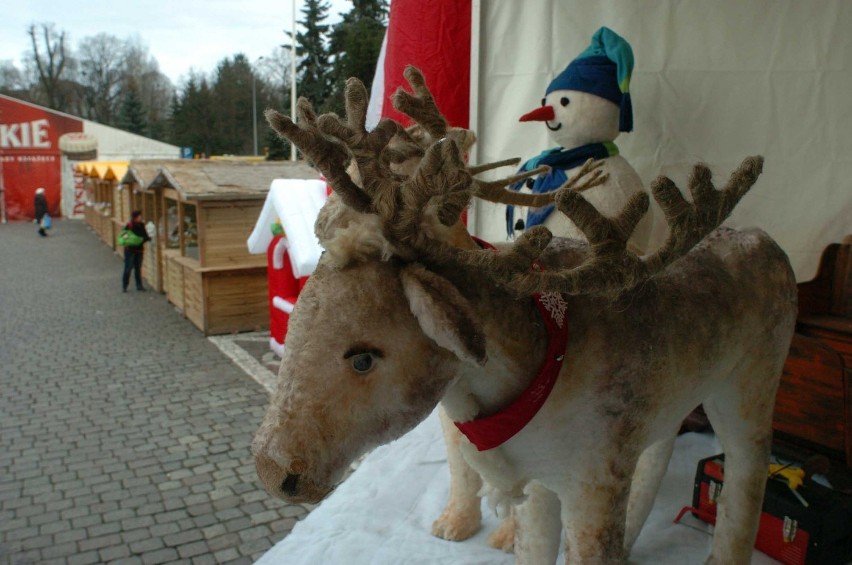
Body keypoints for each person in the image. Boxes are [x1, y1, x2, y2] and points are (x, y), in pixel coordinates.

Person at [122, 210, 152, 292]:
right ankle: (124, 286)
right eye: (139, 217)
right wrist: (133, 240)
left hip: (139, 250)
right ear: (135, 218)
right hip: (130, 250)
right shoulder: (129, 226)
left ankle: (139, 285)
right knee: (128, 268)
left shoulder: (142, 225)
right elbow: (124, 236)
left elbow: (145, 236)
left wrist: (143, 239)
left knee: (138, 268)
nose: (141, 218)